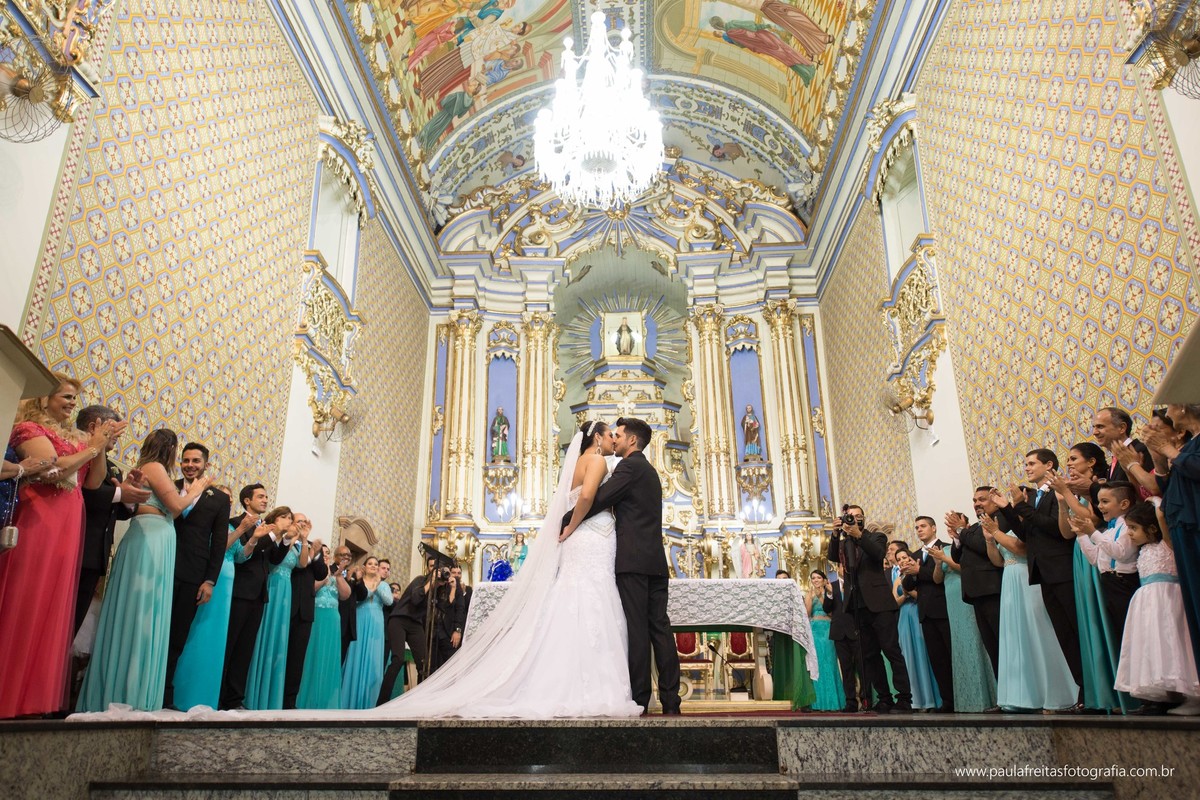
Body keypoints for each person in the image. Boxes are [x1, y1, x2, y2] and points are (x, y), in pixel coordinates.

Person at [0, 374, 121, 718]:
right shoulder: (28, 429)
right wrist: (94, 446)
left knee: (51, 606)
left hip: (69, 522)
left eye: (73, 398)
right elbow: (51, 469)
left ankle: (29, 698)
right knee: (27, 598)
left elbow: (93, 481)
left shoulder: (75, 438)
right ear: (44, 398)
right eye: (66, 396)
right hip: (39, 518)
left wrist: (100, 445)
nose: (71, 403)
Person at [77, 429, 212, 711]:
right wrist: (196, 490)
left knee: (145, 611)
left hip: (156, 535)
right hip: (151, 537)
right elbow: (176, 506)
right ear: (171, 449)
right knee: (141, 612)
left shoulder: (148, 468)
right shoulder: (155, 468)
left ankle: (131, 687)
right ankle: (129, 691)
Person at [564, 417, 682, 715]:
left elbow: (599, 499)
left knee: (637, 630)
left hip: (633, 562)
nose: (614, 439)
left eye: (618, 435)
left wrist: (564, 520)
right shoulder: (650, 471)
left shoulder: (629, 467)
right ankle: (671, 701)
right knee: (660, 628)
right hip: (655, 561)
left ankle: (640, 700)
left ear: (631, 440)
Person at [999, 449, 1083, 707]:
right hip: (1043, 572)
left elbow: (1056, 529)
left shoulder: (1057, 492)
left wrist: (1021, 506)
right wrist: (1009, 510)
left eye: (1031, 463)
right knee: (1064, 634)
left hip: (1061, 568)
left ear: (1049, 465)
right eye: (1025, 464)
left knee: (1076, 630)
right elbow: (1027, 533)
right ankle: (1081, 690)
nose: (1026, 468)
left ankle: (1091, 689)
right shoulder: (1036, 497)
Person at [1048, 443, 1125, 712]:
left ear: (1091, 462)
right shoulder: (1073, 492)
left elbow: (1093, 520)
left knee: (1101, 618)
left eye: (1073, 459)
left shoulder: (1098, 487)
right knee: (1087, 621)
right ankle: (1097, 692)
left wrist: (1068, 494)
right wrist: (1062, 502)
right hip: (1079, 555)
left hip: (1099, 550)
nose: (1068, 463)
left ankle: (1116, 691)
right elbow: (1066, 532)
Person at [983, 511, 1079, 711]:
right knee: (1016, 637)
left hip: (1026, 579)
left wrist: (997, 533)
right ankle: (1022, 696)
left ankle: (1056, 693)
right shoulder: (1004, 532)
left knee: (1038, 631)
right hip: (1009, 582)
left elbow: (1020, 550)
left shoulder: (1026, 531)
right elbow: (998, 561)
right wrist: (990, 540)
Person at [162, 442, 230, 710]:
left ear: (206, 465)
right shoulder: (169, 486)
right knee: (156, 630)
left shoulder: (219, 498)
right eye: (186, 460)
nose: (190, 466)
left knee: (177, 635)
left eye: (195, 461)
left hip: (193, 574)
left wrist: (210, 580)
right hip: (163, 565)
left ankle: (165, 693)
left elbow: (219, 542)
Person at [1115, 502, 1200, 715]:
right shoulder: (1144, 549)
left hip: (1167, 600)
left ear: (1152, 528)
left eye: (1133, 528)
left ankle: (1191, 695)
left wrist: (1157, 506)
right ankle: (1165, 696)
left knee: (1174, 643)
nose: (1129, 533)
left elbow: (1162, 519)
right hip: (1147, 604)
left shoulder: (1167, 544)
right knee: (1153, 646)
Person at [827, 506, 912, 712]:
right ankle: (884, 698)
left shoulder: (876, 537)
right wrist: (836, 533)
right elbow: (833, 556)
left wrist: (858, 535)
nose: (854, 519)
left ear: (863, 519)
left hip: (879, 603)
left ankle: (904, 698)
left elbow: (878, 553)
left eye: (858, 516)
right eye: (850, 516)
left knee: (891, 650)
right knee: (869, 655)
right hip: (857, 605)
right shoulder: (845, 543)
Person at [75, 405, 148, 634]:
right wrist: (118, 493)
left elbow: (119, 513)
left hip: (96, 554)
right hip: (76, 544)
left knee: (75, 621)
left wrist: (128, 495)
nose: (117, 437)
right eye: (114, 431)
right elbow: (85, 495)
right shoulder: (78, 455)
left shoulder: (112, 467)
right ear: (94, 427)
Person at [220, 485, 290, 710]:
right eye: (260, 496)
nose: (265, 500)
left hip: (259, 594)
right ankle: (219, 696)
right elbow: (246, 551)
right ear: (247, 500)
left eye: (267, 497)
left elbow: (274, 559)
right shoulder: (236, 522)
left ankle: (234, 699)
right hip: (239, 591)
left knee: (245, 650)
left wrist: (284, 539)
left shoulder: (265, 526)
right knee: (229, 645)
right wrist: (272, 534)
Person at [1143, 403, 1200, 670]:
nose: (1168, 414)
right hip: (1182, 530)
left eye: (1171, 407)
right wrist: (1157, 455)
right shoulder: (1187, 447)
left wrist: (1168, 450)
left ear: (1185, 407)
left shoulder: (1187, 447)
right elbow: (1168, 487)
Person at [925, 528, 997, 712]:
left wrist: (945, 558)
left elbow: (963, 568)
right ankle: (967, 700)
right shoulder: (944, 550)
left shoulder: (961, 548)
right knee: (958, 646)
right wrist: (938, 563)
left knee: (975, 642)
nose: (951, 531)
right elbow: (937, 579)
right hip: (951, 602)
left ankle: (986, 697)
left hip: (965, 595)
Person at [946, 488, 1008, 683]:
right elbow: (957, 557)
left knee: (1004, 642)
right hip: (976, 592)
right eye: (974, 500)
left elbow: (983, 546)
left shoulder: (1000, 518)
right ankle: (1003, 692)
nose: (976, 504)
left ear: (995, 500)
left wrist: (961, 531)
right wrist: (957, 537)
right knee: (992, 646)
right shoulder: (972, 528)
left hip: (993, 589)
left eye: (982, 499)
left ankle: (1014, 689)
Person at [245, 507, 303, 710]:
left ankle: (269, 695)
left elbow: (279, 558)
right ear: (274, 519)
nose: (288, 520)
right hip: (269, 587)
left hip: (285, 593)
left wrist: (288, 539)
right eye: (284, 517)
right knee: (261, 636)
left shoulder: (287, 542)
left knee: (278, 638)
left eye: (290, 518)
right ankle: (251, 693)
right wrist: (278, 535)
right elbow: (268, 559)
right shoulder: (264, 532)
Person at [901, 516, 954, 712]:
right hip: (925, 612)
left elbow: (940, 577)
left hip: (944, 608)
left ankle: (962, 697)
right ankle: (947, 701)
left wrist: (919, 570)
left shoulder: (945, 548)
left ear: (934, 528)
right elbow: (908, 586)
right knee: (937, 660)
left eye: (923, 526)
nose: (919, 530)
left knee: (952, 656)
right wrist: (909, 573)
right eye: (917, 527)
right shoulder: (915, 554)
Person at [297, 545, 350, 709]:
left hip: (333, 619)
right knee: (313, 654)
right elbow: (310, 588)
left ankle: (327, 700)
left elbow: (346, 595)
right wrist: (325, 578)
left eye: (327, 553)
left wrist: (338, 575)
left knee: (330, 657)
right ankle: (308, 698)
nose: (325, 555)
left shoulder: (336, 574)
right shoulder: (313, 570)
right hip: (317, 616)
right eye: (322, 553)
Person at [890, 543, 941, 711]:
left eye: (904, 557)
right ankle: (914, 700)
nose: (902, 561)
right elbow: (894, 602)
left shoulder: (916, 574)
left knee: (922, 653)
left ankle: (930, 699)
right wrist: (904, 595)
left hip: (917, 612)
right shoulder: (897, 579)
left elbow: (922, 596)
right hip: (903, 617)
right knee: (908, 656)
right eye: (899, 559)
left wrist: (909, 591)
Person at [284, 514, 327, 709]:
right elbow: (295, 567)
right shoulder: (286, 541)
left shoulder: (312, 546)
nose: (302, 524)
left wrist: (315, 553)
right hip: (286, 603)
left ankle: (289, 701)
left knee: (297, 658)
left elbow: (321, 573)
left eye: (305, 521)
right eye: (298, 521)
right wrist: (302, 544)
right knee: (279, 653)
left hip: (305, 610)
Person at [340, 556, 393, 709]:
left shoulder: (383, 585)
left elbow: (389, 601)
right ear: (364, 566)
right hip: (360, 619)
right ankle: (349, 701)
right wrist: (371, 587)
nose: (373, 566)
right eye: (370, 563)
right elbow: (355, 600)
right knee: (356, 655)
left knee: (373, 660)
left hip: (376, 623)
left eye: (376, 564)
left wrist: (378, 584)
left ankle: (370, 703)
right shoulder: (358, 582)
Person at [822, 569, 863, 712]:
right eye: (840, 565)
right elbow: (826, 608)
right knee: (846, 668)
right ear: (837, 568)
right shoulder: (831, 585)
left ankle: (866, 699)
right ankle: (851, 702)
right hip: (839, 631)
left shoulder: (856, 583)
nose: (843, 569)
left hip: (855, 629)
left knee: (862, 666)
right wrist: (829, 594)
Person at [804, 570, 845, 711]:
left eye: (818, 577)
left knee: (830, 661)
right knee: (817, 663)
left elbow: (831, 612)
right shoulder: (809, 594)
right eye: (813, 578)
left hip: (828, 628)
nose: (816, 580)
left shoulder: (830, 592)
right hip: (815, 630)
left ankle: (833, 702)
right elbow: (807, 613)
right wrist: (811, 597)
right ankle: (817, 702)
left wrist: (822, 595)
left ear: (824, 579)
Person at [1093, 407, 1154, 486]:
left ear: (1122, 428)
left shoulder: (1142, 450)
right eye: (1094, 427)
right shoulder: (1114, 459)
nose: (1095, 432)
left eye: (1100, 426)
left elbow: (1149, 489)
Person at [334, 545, 368, 661]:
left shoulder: (352, 574)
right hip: (335, 618)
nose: (347, 557)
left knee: (340, 659)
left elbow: (363, 596)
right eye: (343, 555)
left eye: (349, 555)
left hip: (348, 623)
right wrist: (347, 578)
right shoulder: (331, 569)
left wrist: (358, 580)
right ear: (335, 557)